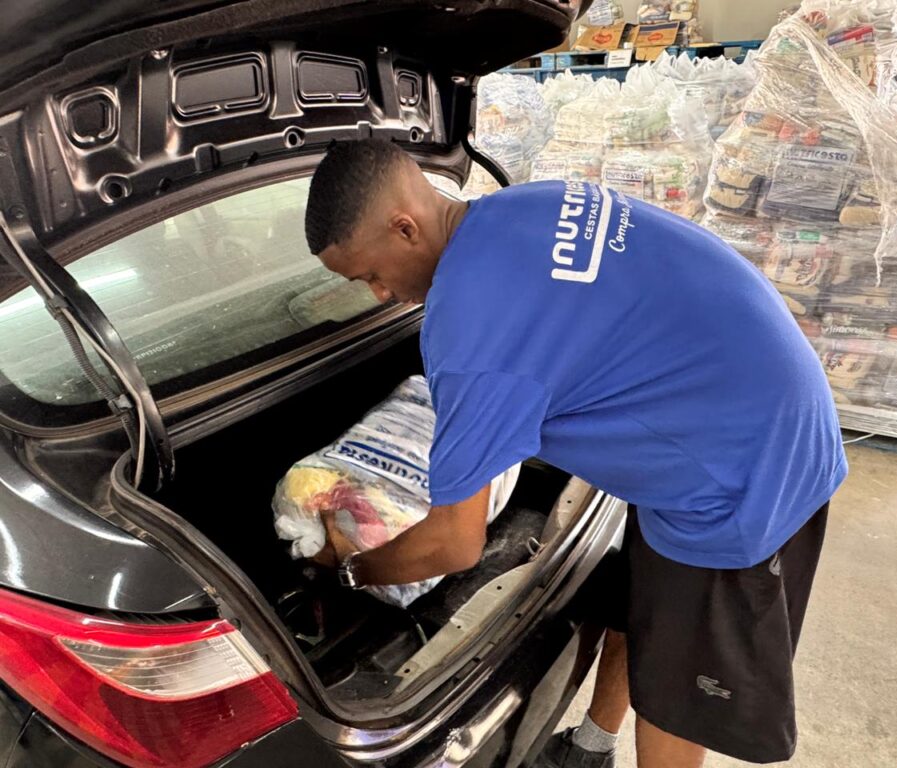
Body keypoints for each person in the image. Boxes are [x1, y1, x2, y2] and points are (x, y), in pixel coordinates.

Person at [303, 138, 847, 768]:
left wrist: (351, 571)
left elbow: (455, 544)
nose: (376, 294)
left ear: (405, 228)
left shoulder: (472, 325)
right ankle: (591, 747)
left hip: (737, 476)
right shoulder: (520, 206)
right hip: (738, 410)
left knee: (674, 702)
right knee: (644, 607)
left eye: (370, 275)